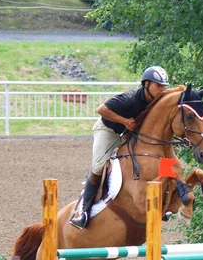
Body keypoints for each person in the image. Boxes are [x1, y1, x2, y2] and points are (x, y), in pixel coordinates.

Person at [69, 66, 170, 229]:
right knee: (99, 166)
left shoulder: (157, 100)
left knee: (158, 157)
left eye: (163, 86)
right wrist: (124, 121)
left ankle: (166, 203)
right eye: (158, 85)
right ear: (146, 85)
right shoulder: (129, 99)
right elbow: (101, 110)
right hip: (108, 131)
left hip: (129, 135)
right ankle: (83, 212)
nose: (161, 89)